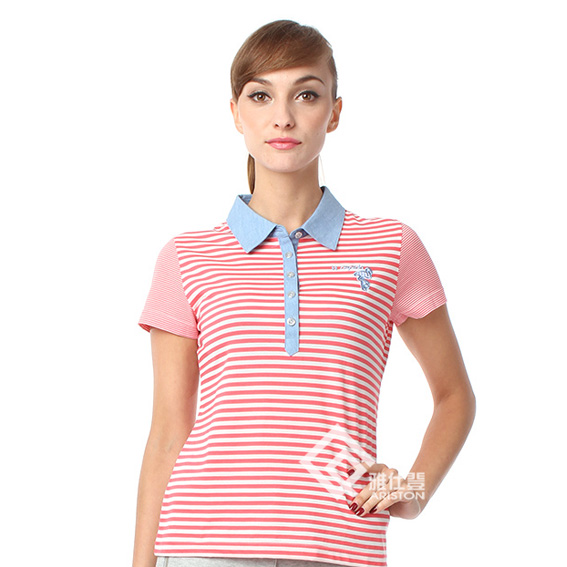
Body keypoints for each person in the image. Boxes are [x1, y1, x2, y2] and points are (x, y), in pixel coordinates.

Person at [132, 19, 476, 567]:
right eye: (261, 95)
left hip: (340, 544)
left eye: (306, 94)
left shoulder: (391, 247)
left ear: (334, 112)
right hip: (203, 543)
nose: (283, 116)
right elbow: (168, 433)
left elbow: (455, 396)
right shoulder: (186, 257)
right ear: (235, 113)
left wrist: (413, 490)